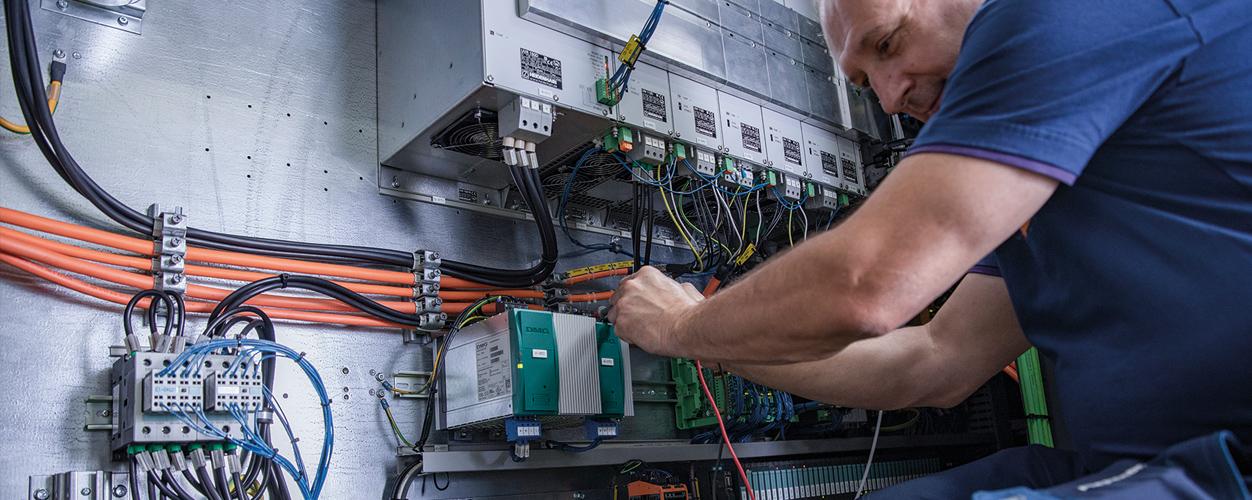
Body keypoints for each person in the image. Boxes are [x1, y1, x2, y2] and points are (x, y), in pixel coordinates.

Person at [608, 0, 1252, 497]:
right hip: (1140, 465)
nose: (889, 97)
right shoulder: (1024, 198)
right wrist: (715, 346)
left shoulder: (1055, 16)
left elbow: (865, 285)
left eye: (888, 44)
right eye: (865, 81)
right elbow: (934, 360)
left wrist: (680, 325)